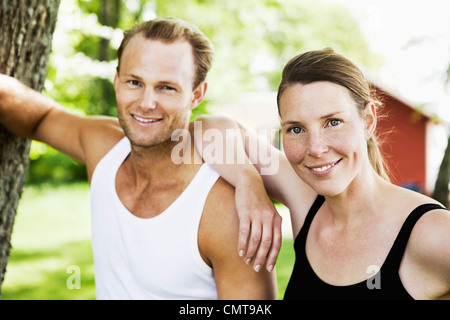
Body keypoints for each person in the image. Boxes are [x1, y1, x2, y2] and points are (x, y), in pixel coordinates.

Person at [0, 17, 278, 299]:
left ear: (196, 95)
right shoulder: (103, 148)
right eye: (135, 82)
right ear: (117, 81)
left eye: (166, 87)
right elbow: (38, 117)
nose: (146, 103)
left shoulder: (226, 212)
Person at [196, 48, 450, 300]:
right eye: (296, 129)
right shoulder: (305, 202)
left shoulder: (431, 232)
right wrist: (248, 183)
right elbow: (205, 128)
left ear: (368, 121)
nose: (315, 148)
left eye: (333, 122)